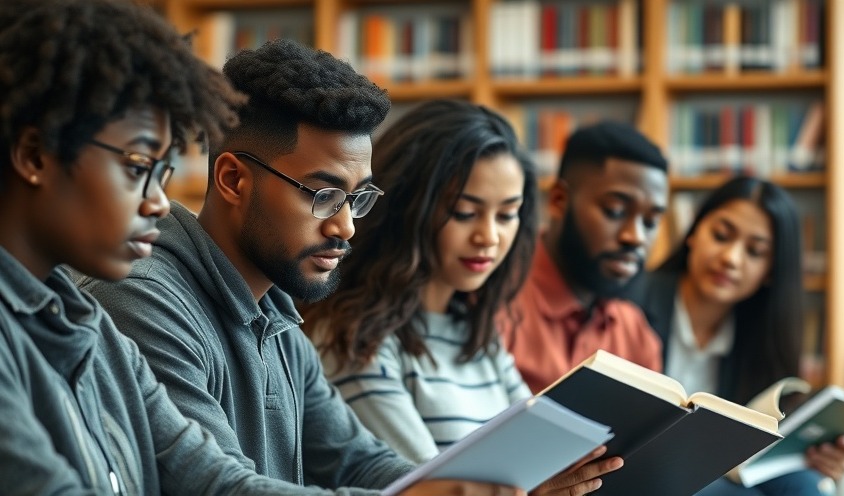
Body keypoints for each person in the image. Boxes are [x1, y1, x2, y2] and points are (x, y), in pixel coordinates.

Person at [78, 39, 524, 495]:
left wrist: (499, 486)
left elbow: (359, 463)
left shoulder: (276, 312)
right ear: (233, 180)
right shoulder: (142, 298)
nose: (346, 227)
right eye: (322, 195)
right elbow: (217, 487)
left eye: (358, 199)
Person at [0, 0, 320, 493]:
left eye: (162, 174)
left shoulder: (94, 330)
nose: (158, 203)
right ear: (34, 155)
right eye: (136, 168)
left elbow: (215, 481)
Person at [302, 99, 623, 494]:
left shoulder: (477, 334)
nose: (488, 237)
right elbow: (425, 489)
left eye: (506, 215)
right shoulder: (354, 339)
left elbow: (544, 458)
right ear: (408, 208)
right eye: (465, 213)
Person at [634, 176, 844, 495]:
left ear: (770, 271)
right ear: (694, 232)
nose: (731, 258)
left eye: (755, 252)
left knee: (809, 486)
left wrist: (822, 459)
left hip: (721, 472)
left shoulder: (763, 339)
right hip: (646, 470)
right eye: (721, 235)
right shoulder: (632, 305)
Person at [496, 120, 669, 393]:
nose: (635, 237)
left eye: (650, 222)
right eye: (615, 211)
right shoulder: (494, 303)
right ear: (558, 201)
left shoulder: (635, 334)